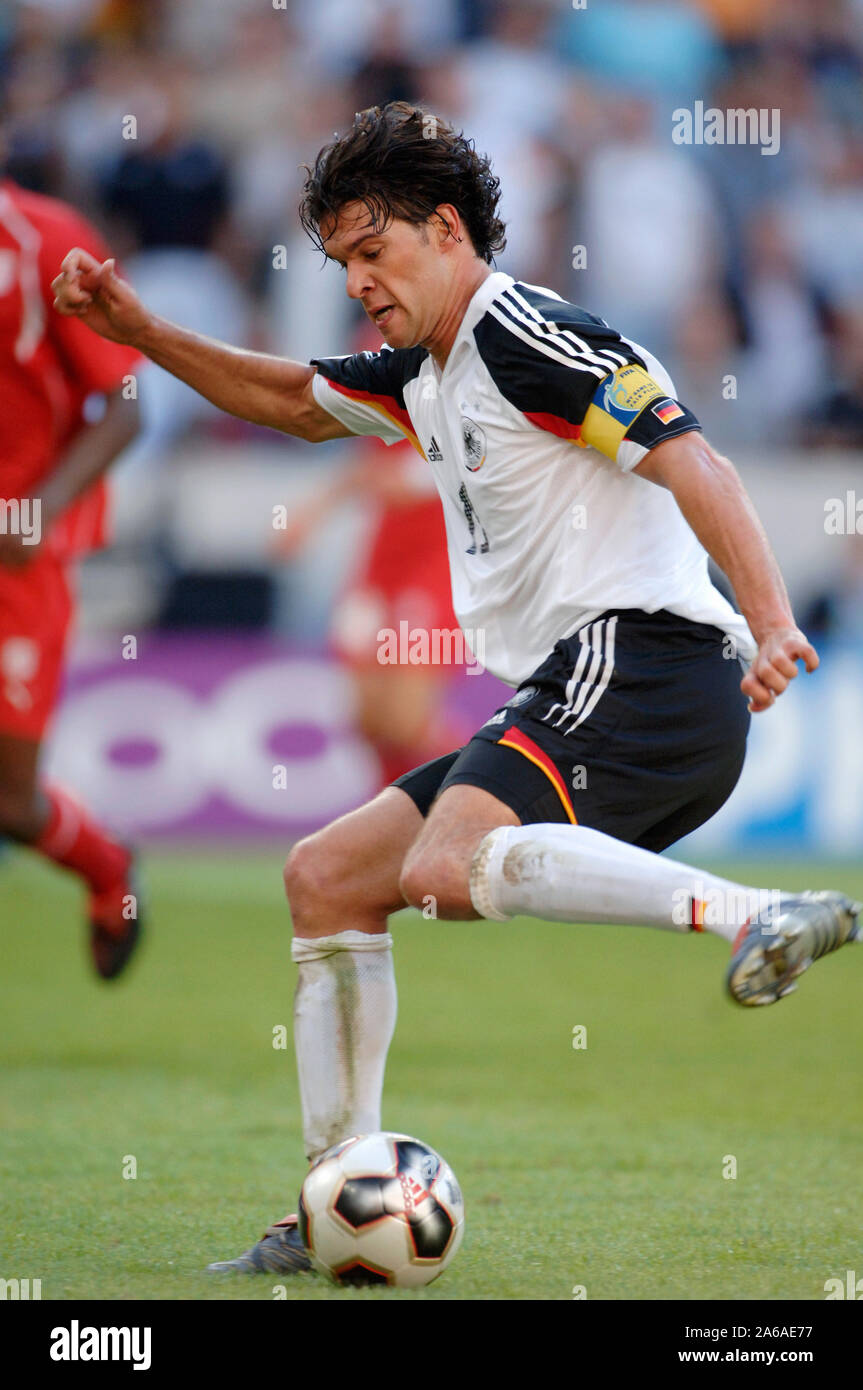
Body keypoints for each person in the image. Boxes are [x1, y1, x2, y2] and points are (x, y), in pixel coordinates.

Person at [51, 102, 859, 1275]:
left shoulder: (525, 331)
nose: (358, 283)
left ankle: (755, 916)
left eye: (373, 253)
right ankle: (331, 1201)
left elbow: (695, 458)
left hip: (646, 661)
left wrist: (771, 622)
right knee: (326, 877)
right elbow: (282, 399)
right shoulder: (423, 373)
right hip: (585, 683)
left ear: (445, 228)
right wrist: (139, 329)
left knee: (443, 863)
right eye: (340, 264)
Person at [0, 172, 143, 979]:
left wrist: (35, 512)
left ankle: (107, 869)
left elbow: (126, 402)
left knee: (11, 802)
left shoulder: (44, 239)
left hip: (16, 564)